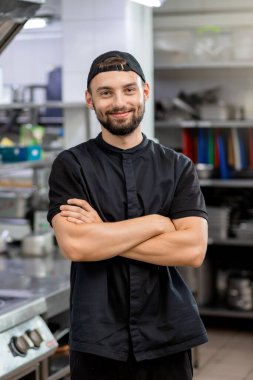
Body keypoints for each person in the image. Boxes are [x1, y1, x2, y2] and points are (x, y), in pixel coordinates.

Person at [47, 50, 208, 380]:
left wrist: (103, 233)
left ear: (145, 92)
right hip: (98, 339)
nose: (119, 102)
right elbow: (78, 247)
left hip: (168, 333)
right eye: (106, 92)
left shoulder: (178, 167)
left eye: (129, 89)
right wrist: (155, 224)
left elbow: (192, 250)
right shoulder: (71, 165)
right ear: (90, 100)